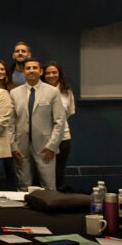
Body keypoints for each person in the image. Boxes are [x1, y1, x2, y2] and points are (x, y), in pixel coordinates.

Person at [10, 58, 67, 191]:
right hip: (20, 147)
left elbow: (60, 121)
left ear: (41, 71)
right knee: (23, 185)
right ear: (23, 72)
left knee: (48, 185)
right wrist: (13, 146)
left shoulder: (52, 92)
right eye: (28, 68)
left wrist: (52, 146)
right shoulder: (14, 93)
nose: (31, 71)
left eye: (35, 68)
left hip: (45, 147)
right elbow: (10, 122)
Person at [42, 61, 75, 191]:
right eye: (48, 73)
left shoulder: (67, 91)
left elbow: (68, 113)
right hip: (44, 138)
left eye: (54, 72)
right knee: (44, 174)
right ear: (43, 75)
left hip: (63, 137)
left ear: (59, 74)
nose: (51, 75)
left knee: (59, 173)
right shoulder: (40, 91)